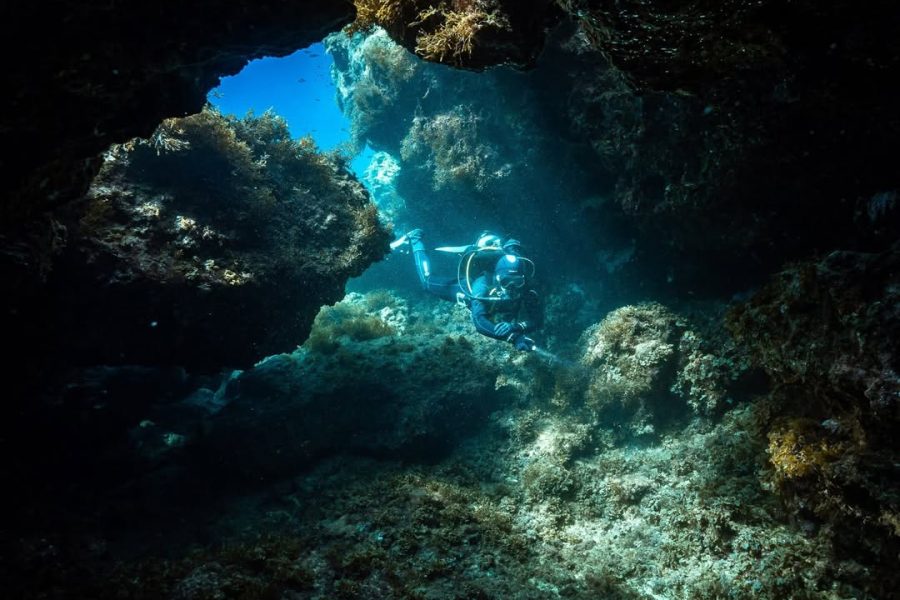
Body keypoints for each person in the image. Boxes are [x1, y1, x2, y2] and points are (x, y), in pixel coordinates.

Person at [391, 229, 543, 351]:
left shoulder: (526, 290)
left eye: (517, 282)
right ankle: (416, 240)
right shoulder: (482, 286)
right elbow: (479, 322)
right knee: (427, 282)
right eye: (505, 282)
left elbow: (537, 320)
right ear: (496, 278)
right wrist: (513, 338)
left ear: (523, 279)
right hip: (465, 288)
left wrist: (515, 327)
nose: (511, 287)